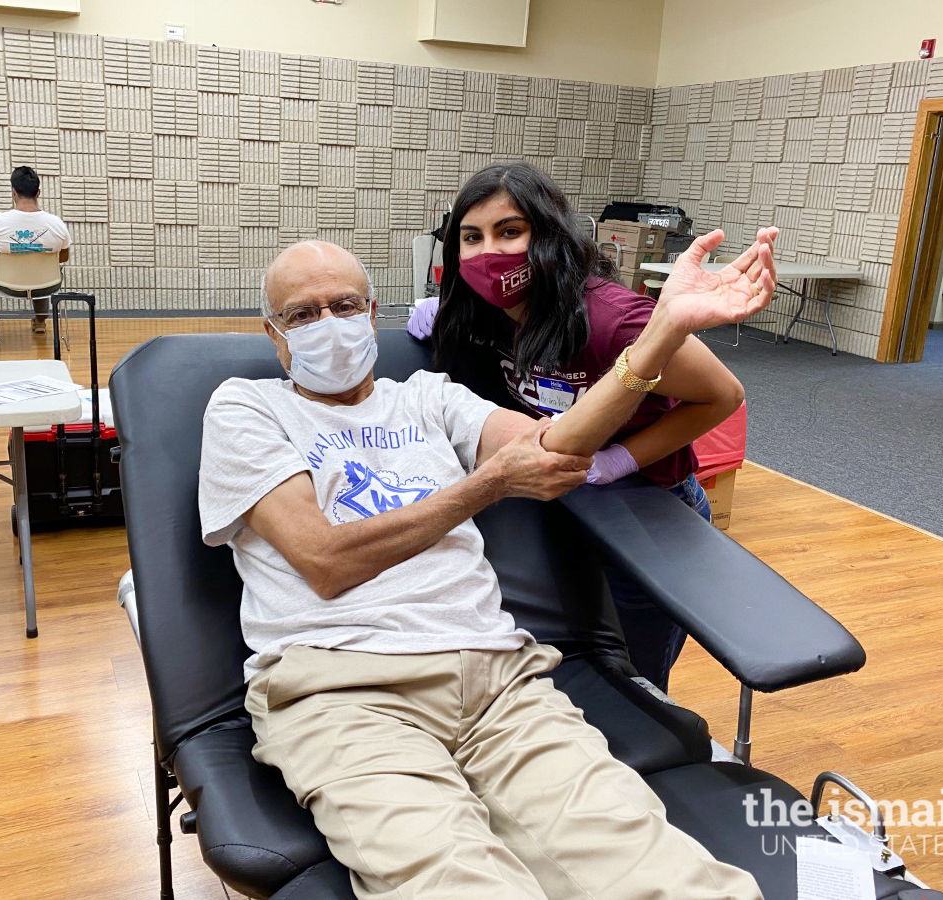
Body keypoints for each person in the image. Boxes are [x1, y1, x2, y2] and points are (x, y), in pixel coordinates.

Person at [198, 237, 776, 900]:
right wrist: (485, 485)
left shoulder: (429, 399)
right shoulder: (247, 407)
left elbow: (550, 447)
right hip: (341, 691)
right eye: (302, 315)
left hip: (498, 682)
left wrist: (660, 335)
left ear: (372, 313)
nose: (327, 323)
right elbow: (326, 560)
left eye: (344, 304)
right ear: (274, 336)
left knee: (658, 874)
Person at [409, 162, 777, 692]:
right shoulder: (484, 314)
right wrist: (443, 316)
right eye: (472, 237)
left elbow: (723, 397)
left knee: (637, 673)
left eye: (510, 231)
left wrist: (619, 460)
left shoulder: (614, 321)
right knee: (566, 650)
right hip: (562, 496)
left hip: (646, 505)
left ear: (549, 236)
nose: (490, 251)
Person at [0, 166, 72, 334]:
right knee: (45, 265)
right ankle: (40, 319)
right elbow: (64, 257)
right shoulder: (57, 224)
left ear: (13, 192)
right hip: (47, 285)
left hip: (9, 286)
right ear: (38, 192)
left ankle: (35, 313)